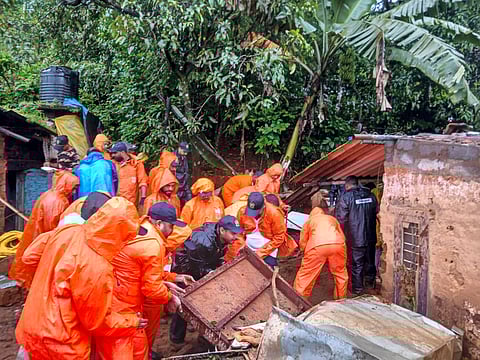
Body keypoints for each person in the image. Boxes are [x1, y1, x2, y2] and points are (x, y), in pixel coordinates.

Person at [16, 197, 145, 360]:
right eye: (129, 236)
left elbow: (29, 256)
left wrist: (48, 280)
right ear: (120, 233)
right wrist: (131, 321)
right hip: (62, 343)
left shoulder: (67, 230)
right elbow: (97, 322)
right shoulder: (96, 266)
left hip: (31, 326)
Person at [94, 202, 190, 360]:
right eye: (170, 226)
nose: (172, 231)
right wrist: (169, 297)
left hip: (112, 293)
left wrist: (171, 279)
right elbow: (151, 289)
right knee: (133, 348)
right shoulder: (154, 244)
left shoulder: (140, 225)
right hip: (125, 303)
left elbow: (138, 269)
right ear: (159, 223)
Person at [169, 215, 243, 345]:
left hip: (203, 263)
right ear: (222, 230)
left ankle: (198, 329)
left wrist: (219, 267)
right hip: (185, 270)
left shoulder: (222, 239)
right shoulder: (204, 242)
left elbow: (217, 256)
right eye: (233, 233)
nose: (235, 237)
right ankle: (176, 339)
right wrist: (211, 272)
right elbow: (196, 267)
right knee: (184, 304)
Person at [9, 171, 79, 288]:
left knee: (28, 261)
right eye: (74, 187)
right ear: (67, 184)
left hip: (35, 233)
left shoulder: (49, 194)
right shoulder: (58, 201)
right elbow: (52, 227)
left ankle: (25, 283)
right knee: (38, 266)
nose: (74, 191)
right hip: (42, 238)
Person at [335, 176, 378, 296]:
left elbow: (341, 218)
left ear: (347, 185)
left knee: (357, 264)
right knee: (370, 261)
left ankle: (358, 290)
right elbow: (377, 212)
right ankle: (370, 286)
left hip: (355, 237)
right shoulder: (371, 196)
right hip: (370, 236)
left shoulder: (346, 197)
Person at [294, 207, 348, 299]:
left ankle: (298, 300)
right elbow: (342, 236)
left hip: (317, 246)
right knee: (340, 273)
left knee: (306, 275)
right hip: (337, 244)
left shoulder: (309, 221)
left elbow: (303, 241)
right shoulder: (332, 219)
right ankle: (341, 299)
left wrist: (303, 251)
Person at [238, 192, 290, 268]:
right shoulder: (242, 211)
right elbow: (239, 232)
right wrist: (241, 244)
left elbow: (279, 237)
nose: (253, 215)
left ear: (263, 206)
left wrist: (261, 253)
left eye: (256, 212)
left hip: (269, 250)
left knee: (265, 271)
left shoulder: (275, 214)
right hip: (247, 247)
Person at [110, 142, 148, 207]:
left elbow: (143, 181)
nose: (113, 155)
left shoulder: (136, 164)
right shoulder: (112, 164)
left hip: (132, 203)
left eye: (115, 153)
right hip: (116, 203)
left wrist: (143, 197)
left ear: (122, 152)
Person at [174, 142, 192, 206]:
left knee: (189, 198)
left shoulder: (183, 157)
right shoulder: (173, 158)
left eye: (186, 152)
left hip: (184, 182)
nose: (186, 153)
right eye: (184, 151)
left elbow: (186, 170)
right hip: (176, 184)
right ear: (179, 148)